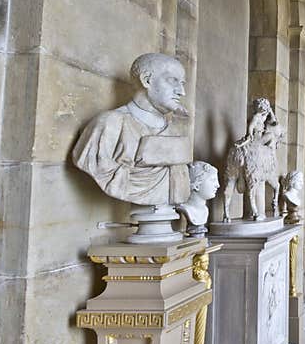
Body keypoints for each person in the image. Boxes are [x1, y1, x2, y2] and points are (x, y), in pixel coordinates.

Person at [72, 53, 191, 206]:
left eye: (182, 83)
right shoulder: (109, 124)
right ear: (146, 80)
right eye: (173, 81)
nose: (182, 92)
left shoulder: (175, 131)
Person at [177, 161, 219, 236]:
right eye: (212, 180)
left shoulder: (205, 210)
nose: (217, 185)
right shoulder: (185, 209)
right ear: (196, 185)